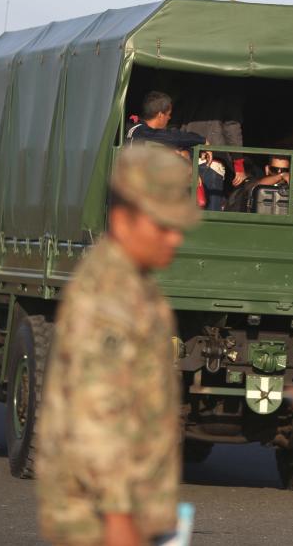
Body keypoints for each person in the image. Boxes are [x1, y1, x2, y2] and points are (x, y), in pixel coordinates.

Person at [37, 146, 199, 546]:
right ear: (123, 219)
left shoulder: (134, 283)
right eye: (162, 226)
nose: (175, 238)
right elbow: (96, 412)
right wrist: (117, 517)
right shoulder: (108, 297)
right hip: (100, 519)